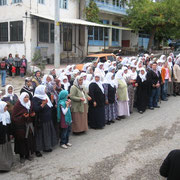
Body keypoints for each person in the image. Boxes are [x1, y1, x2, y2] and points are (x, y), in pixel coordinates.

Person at [32, 85, 57, 157]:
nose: (46, 90)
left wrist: (51, 101)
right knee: (40, 135)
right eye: (44, 89)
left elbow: (50, 106)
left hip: (48, 119)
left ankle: (46, 147)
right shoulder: (35, 99)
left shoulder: (45, 95)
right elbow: (36, 109)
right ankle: (37, 150)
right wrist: (42, 105)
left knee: (47, 134)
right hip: (41, 120)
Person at [12, 92, 36, 163]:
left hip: (29, 125)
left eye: (27, 97)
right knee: (21, 141)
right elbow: (14, 118)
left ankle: (28, 154)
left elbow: (32, 111)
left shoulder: (30, 104)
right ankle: (22, 156)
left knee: (29, 139)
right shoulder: (18, 105)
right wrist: (22, 117)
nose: (27, 99)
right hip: (21, 127)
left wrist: (32, 115)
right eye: (25, 97)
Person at [0, 101, 13, 171]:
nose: (6, 108)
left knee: (7, 149)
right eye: (5, 106)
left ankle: (9, 162)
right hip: (1, 137)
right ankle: (3, 167)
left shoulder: (6, 114)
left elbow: (9, 124)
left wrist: (10, 133)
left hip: (6, 135)